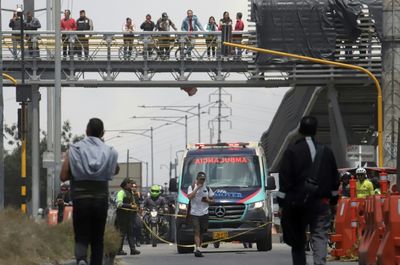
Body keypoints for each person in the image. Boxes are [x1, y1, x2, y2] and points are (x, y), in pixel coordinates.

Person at [277, 116, 340, 265]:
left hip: (296, 205)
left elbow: (284, 182)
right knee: (319, 236)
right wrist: (334, 202)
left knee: (298, 239)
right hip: (321, 204)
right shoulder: (327, 152)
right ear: (316, 130)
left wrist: (281, 204)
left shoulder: (291, 152)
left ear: (299, 130)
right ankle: (320, 263)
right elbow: (335, 180)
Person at [60, 118, 119, 265]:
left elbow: (63, 176)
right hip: (100, 200)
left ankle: (81, 260)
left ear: (86, 131)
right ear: (103, 133)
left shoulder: (75, 149)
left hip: (81, 199)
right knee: (97, 238)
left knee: (81, 234)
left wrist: (78, 171)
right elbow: (115, 169)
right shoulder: (109, 151)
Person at [187, 172, 215, 258]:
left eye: (203, 179)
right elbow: (189, 197)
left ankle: (199, 246)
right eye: (201, 179)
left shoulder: (207, 188)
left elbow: (213, 201)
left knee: (202, 232)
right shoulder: (191, 187)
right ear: (197, 179)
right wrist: (197, 188)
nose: (202, 181)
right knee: (197, 231)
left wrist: (207, 201)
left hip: (204, 213)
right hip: (194, 213)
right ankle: (197, 249)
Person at [115, 178, 141, 256]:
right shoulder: (121, 192)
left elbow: (134, 203)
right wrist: (130, 206)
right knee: (122, 233)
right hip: (121, 216)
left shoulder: (131, 193)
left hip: (129, 216)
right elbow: (119, 204)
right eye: (130, 183)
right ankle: (119, 250)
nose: (131, 185)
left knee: (130, 232)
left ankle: (133, 250)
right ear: (126, 184)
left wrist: (135, 206)